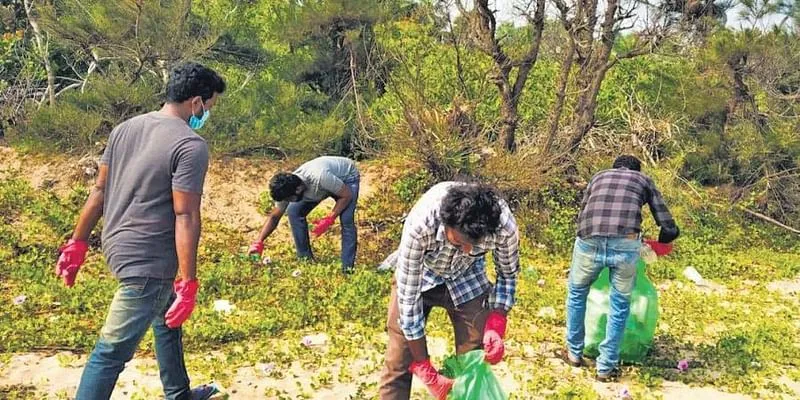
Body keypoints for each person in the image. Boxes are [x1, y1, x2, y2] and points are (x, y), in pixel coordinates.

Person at [55, 62, 226, 400]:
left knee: (166, 320)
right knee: (111, 351)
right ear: (196, 102)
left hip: (117, 245)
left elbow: (99, 192)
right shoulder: (190, 145)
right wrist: (188, 281)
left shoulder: (125, 129)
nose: (206, 114)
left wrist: (77, 243)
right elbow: (186, 214)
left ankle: (178, 393)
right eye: (208, 107)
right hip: (148, 261)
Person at [378, 182, 520, 400]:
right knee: (399, 358)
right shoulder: (422, 224)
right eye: (460, 242)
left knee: (473, 357)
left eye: (475, 243)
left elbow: (508, 274)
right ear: (446, 225)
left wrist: (496, 321)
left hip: (468, 276)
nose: (468, 249)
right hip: (423, 273)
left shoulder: (503, 227)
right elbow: (408, 296)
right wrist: (424, 366)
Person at [562, 155, 680, 381]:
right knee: (620, 302)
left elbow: (584, 210)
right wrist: (665, 239)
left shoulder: (598, 177)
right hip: (625, 243)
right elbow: (666, 222)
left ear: (614, 167)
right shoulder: (642, 179)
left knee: (577, 293)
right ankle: (605, 367)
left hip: (589, 240)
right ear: (637, 170)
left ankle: (574, 354)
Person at [248, 156, 360, 274]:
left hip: (346, 178)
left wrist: (330, 218)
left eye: (290, 199)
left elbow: (346, 196)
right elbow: (274, 217)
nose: (289, 202)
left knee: (346, 220)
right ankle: (306, 260)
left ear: (299, 189)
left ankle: (347, 270)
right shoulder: (286, 189)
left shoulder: (320, 177)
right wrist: (259, 241)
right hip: (322, 186)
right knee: (293, 211)